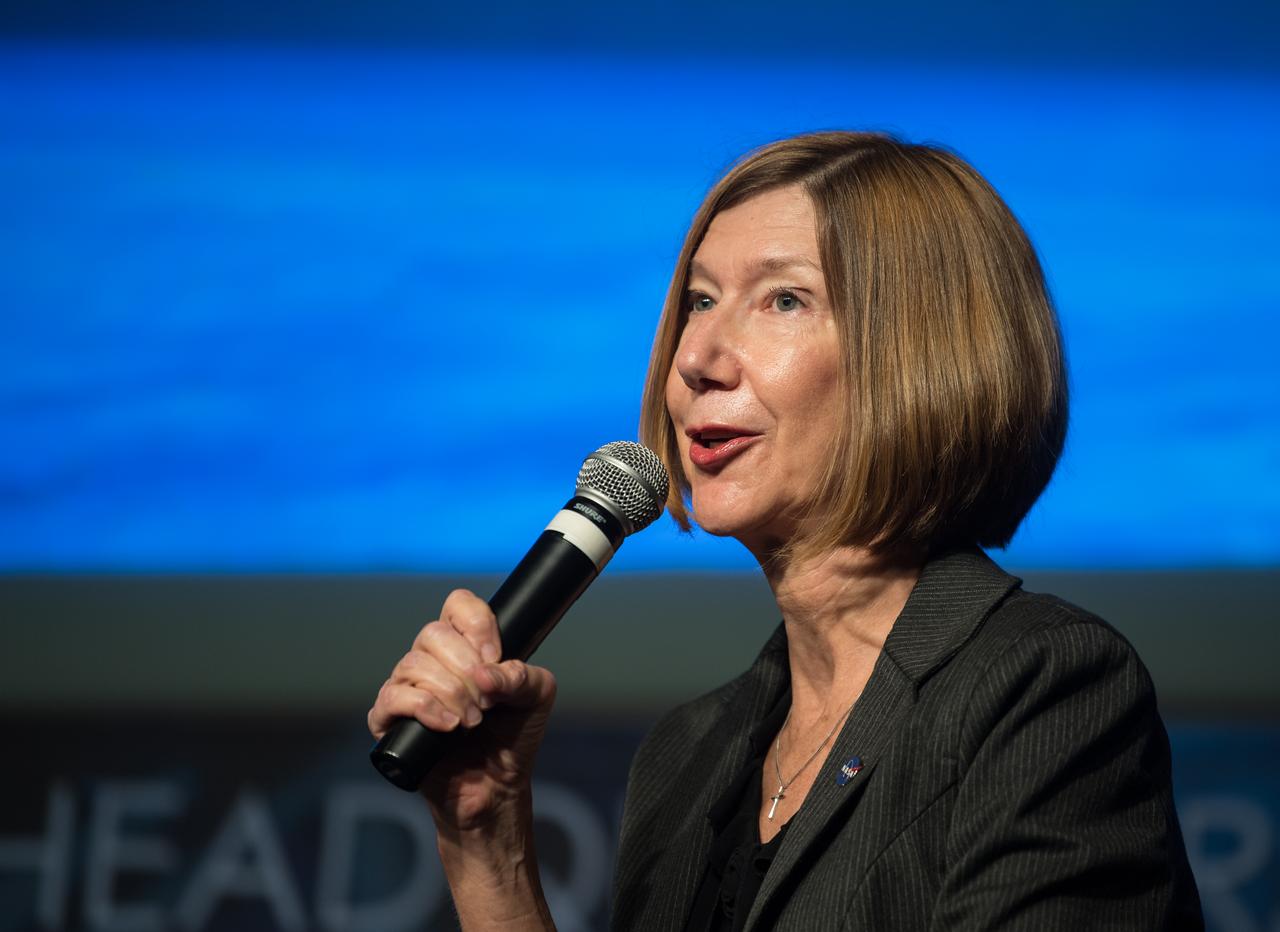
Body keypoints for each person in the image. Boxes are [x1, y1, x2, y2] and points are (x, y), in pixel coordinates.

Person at [368, 131, 1203, 930]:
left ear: (918, 356)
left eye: (784, 300)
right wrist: (488, 849)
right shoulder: (687, 755)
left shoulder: (1042, 686)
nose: (696, 357)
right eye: (700, 300)